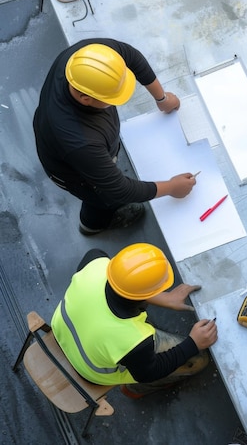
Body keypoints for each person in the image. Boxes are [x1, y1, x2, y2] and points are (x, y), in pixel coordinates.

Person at [33, 38, 197, 235]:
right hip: (75, 174)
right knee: (101, 199)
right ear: (86, 98)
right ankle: (92, 226)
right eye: (111, 99)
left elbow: (131, 56)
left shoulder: (85, 59)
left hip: (76, 143)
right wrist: (171, 187)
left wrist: (162, 98)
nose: (116, 102)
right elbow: (120, 190)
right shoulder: (80, 141)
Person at [51, 243, 217, 398]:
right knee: (198, 360)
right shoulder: (134, 340)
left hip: (61, 332)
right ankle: (134, 390)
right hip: (89, 371)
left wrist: (164, 298)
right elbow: (149, 372)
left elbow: (118, 288)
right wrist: (193, 344)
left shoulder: (95, 262)